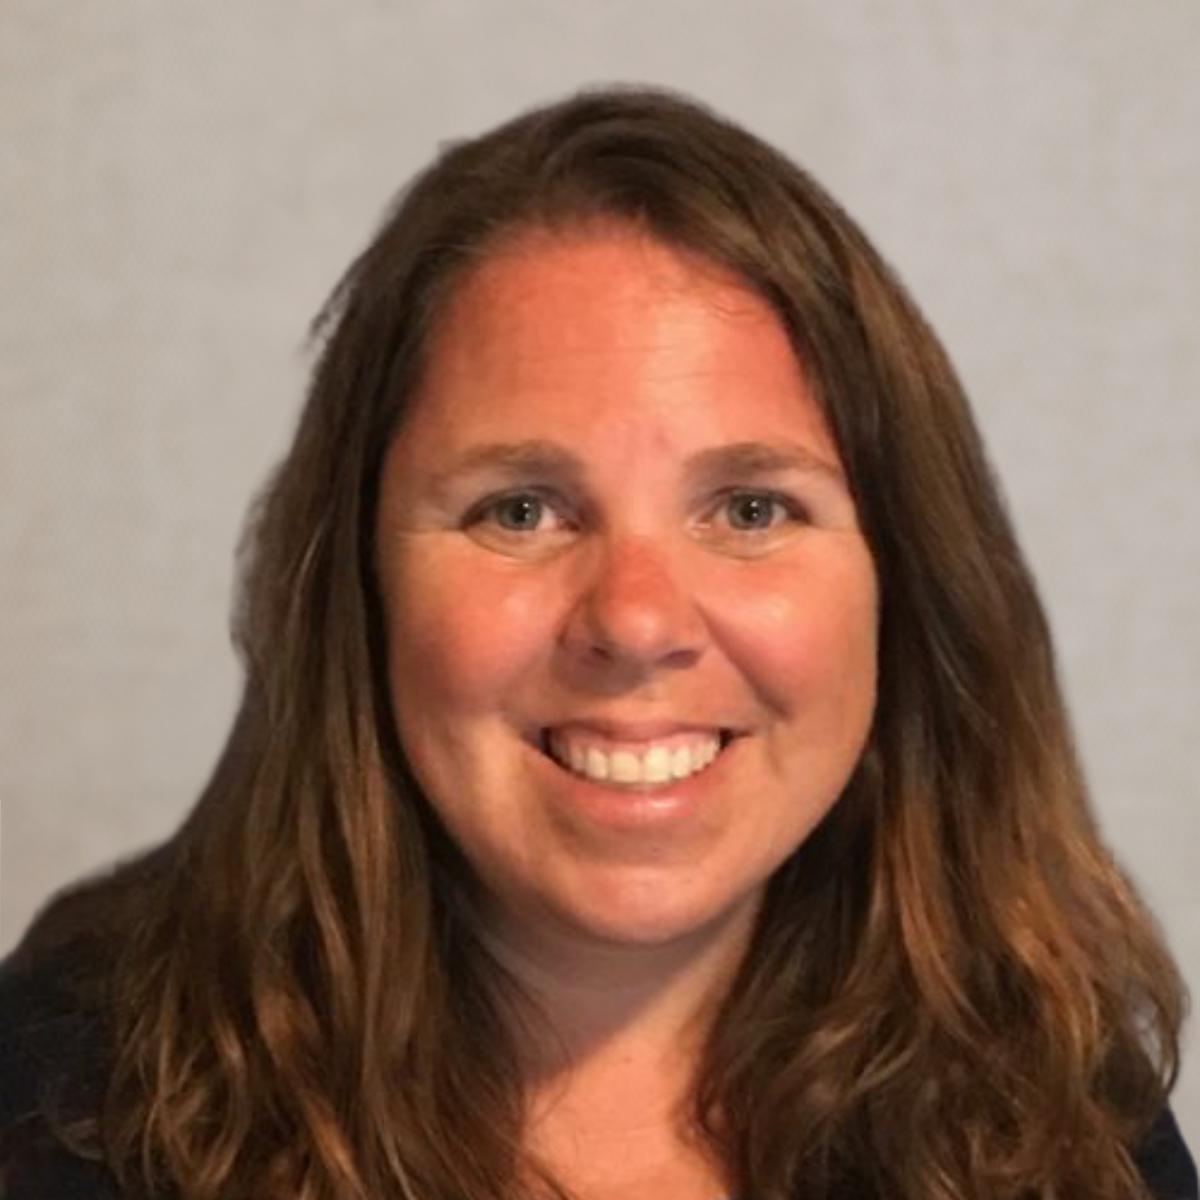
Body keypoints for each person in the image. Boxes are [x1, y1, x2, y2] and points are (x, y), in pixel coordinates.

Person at [0, 86, 1194, 1200]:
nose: (634, 621)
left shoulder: (1062, 1117)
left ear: (904, 585)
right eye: (520, 510)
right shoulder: (74, 1105)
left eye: (750, 509)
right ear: (359, 583)